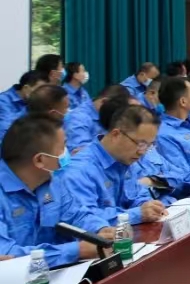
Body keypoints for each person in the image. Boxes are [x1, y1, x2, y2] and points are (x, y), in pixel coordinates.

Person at [0, 114, 117, 267]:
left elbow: (76, 214)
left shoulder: (51, 180)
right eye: (62, 147)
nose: (66, 152)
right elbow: (6, 255)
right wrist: (77, 251)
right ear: (40, 160)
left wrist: (101, 229)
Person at [60, 104, 170, 226]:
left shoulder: (126, 159)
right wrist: (137, 214)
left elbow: (137, 196)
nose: (142, 152)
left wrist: (150, 207)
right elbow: (84, 219)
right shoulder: (80, 171)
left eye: (149, 145)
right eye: (141, 144)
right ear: (116, 134)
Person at [64, 84, 133, 153]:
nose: (116, 115)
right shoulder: (79, 117)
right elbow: (79, 151)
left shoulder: (110, 114)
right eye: (114, 110)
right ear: (104, 102)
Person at [0, 71, 47, 143]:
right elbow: (6, 131)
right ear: (26, 88)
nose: (42, 95)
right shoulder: (3, 100)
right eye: (39, 91)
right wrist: (29, 107)